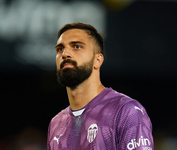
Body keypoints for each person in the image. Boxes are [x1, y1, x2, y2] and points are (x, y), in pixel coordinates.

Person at [47, 22, 154, 150]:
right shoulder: (56, 123)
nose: (65, 54)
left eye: (77, 46)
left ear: (97, 60)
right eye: (60, 49)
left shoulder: (126, 111)